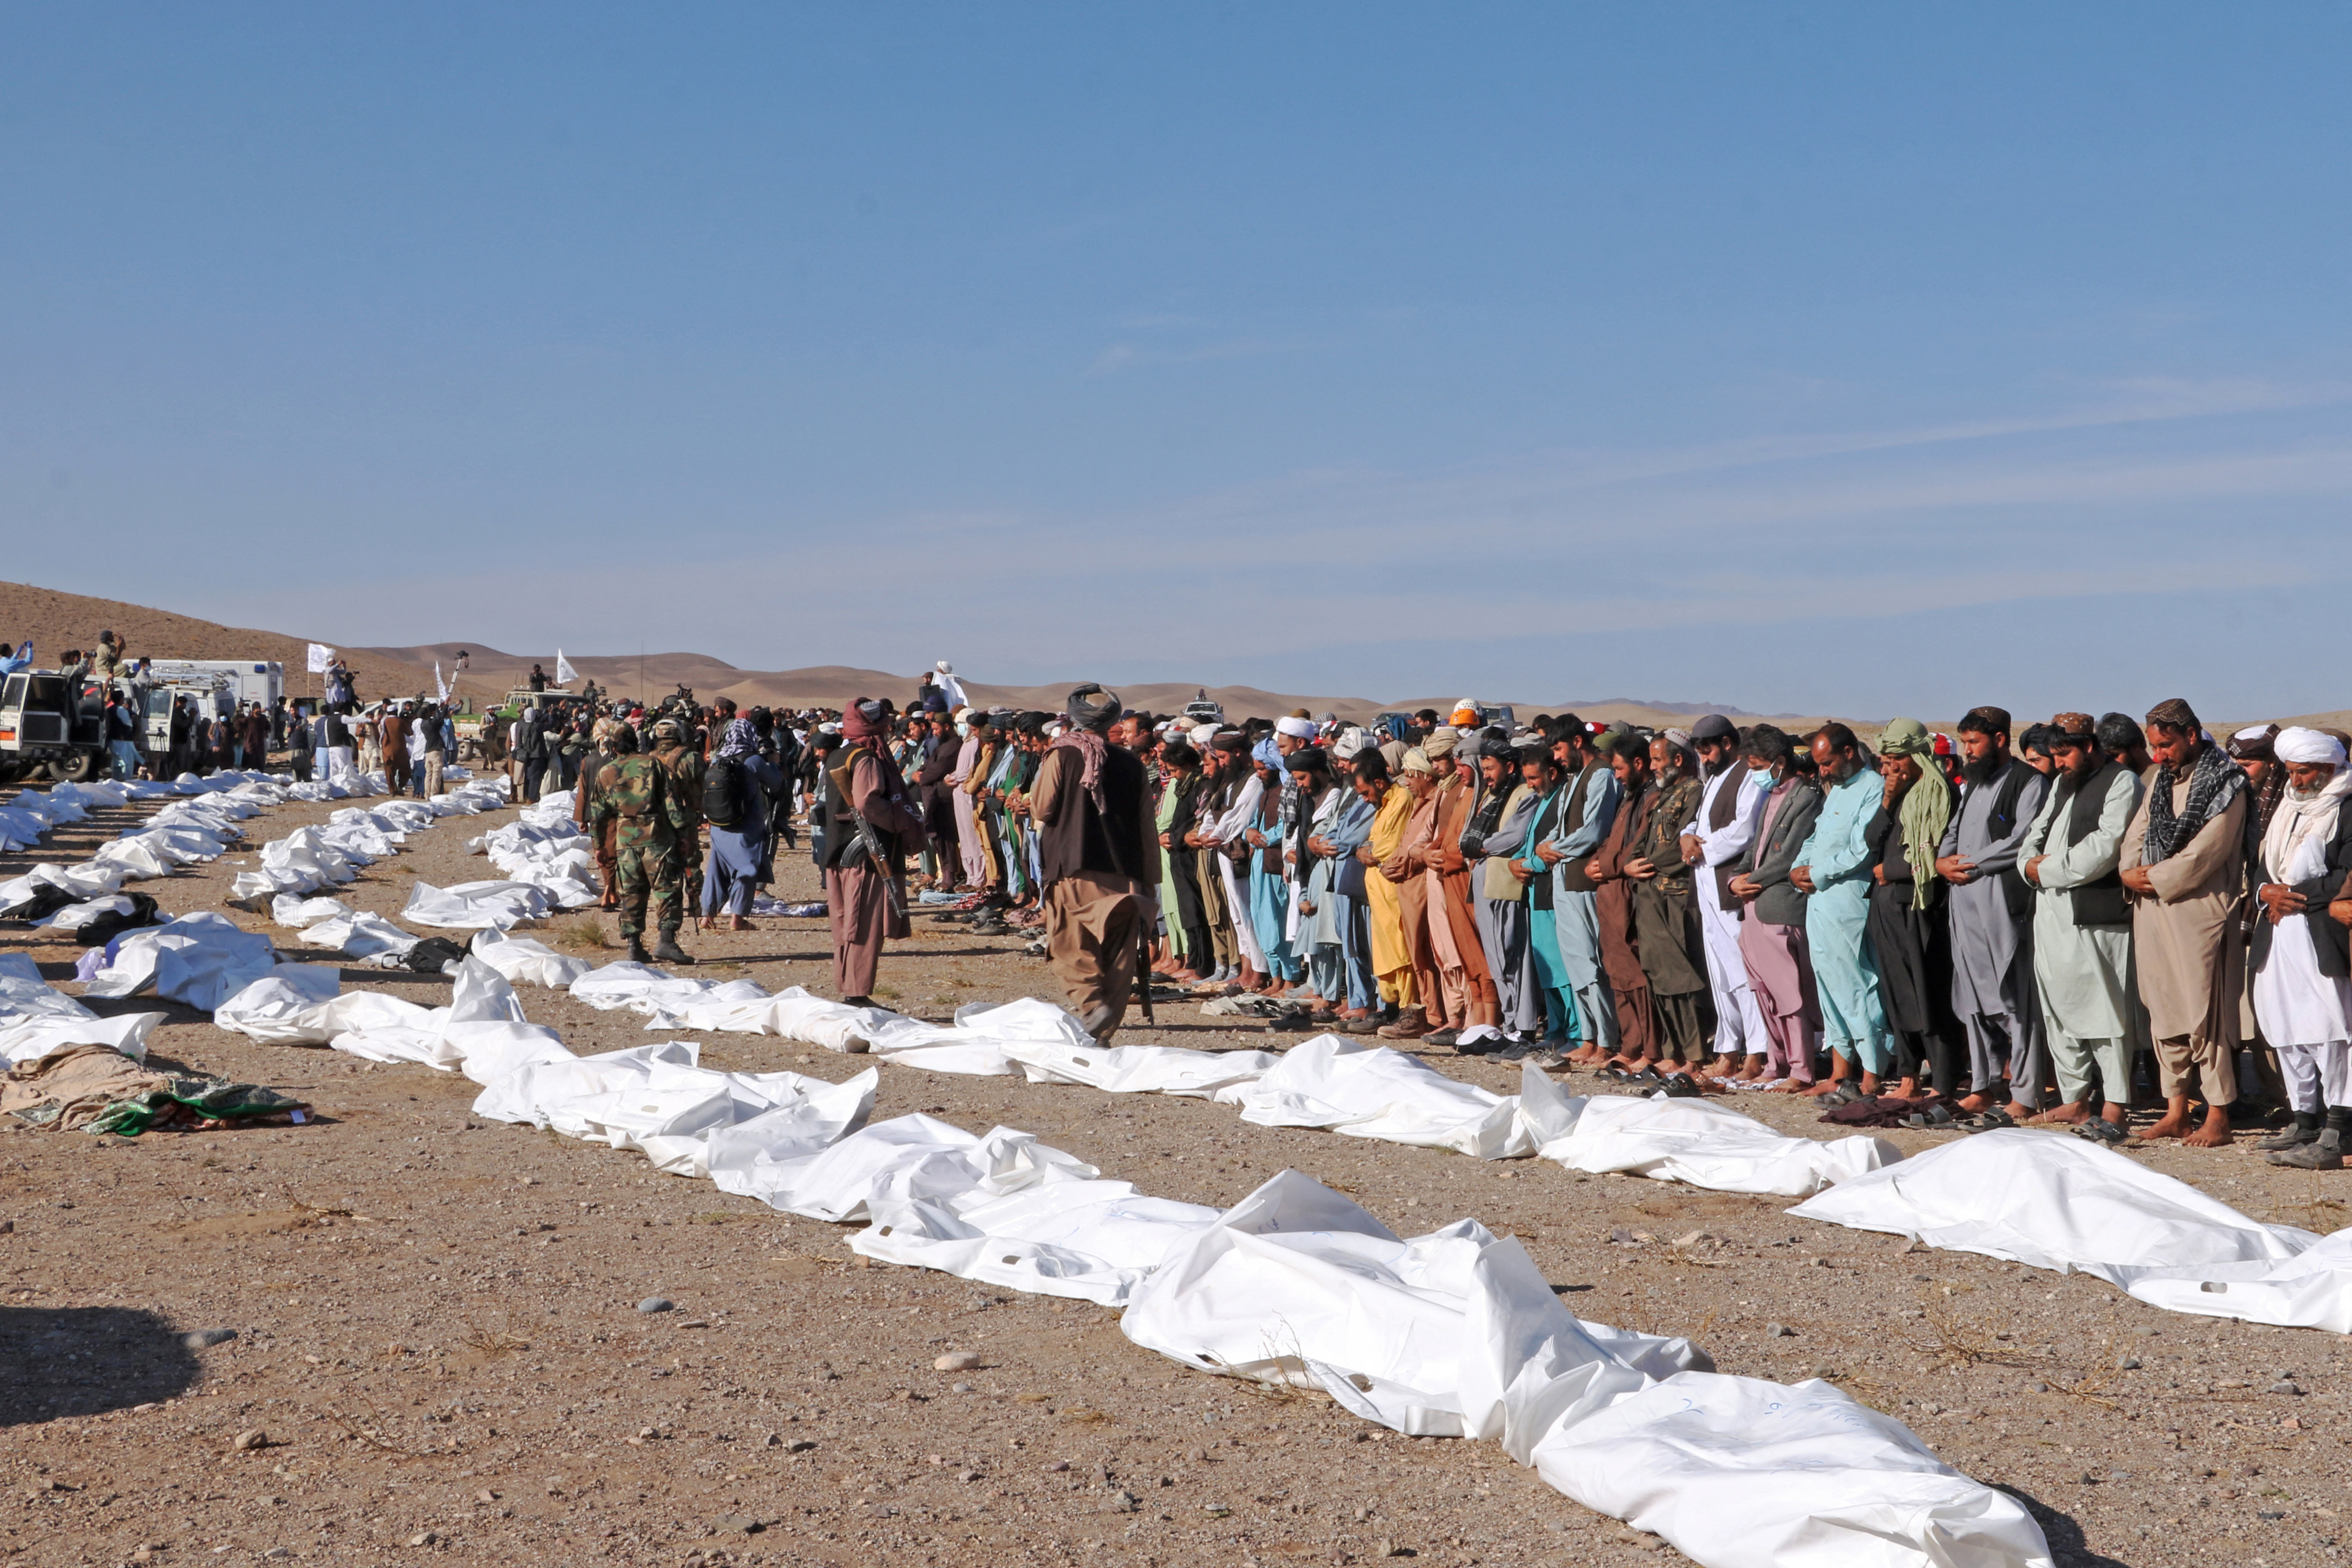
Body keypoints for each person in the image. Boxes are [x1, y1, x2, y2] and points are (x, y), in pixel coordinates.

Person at [2115, 697, 2252, 1147]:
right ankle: (2176, 1110)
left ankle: (2217, 1114)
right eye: (2154, 746)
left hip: (2199, 909)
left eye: (2167, 745)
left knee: (2205, 1015)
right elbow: (2138, 830)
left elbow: (2208, 852)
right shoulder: (2158, 778)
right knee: (2164, 1008)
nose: (2159, 755)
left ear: (2191, 735)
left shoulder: (2226, 782)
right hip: (2151, 907)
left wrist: (2153, 877)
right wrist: (2128, 872)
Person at [2014, 713, 2143, 1142]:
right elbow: (2035, 834)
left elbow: (2105, 846)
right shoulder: (2062, 783)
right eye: (2054, 755)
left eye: (2064, 753)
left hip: (2094, 916)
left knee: (2105, 1011)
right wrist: (2028, 866)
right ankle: (2074, 1098)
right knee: (2059, 1007)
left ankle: (2115, 1105)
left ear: (2089, 746)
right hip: (2050, 911)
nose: (2059, 762)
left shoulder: (2121, 781)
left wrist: (2046, 871)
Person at [1936, 707, 2049, 1125]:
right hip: (1963, 902)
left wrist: (1972, 865)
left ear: (2000, 739)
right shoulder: (1974, 781)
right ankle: (1982, 1086)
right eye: (1964, 742)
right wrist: (1941, 861)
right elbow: (1955, 827)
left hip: (2000, 901)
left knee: (2012, 999)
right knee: (1971, 997)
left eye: (1974, 742)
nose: (1967, 750)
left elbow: (2023, 839)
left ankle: (2024, 1091)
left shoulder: (2029, 781)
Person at [2248, 728, 2352, 1168]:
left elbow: (2346, 875)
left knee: (2329, 1030)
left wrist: (2292, 895)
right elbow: (2259, 871)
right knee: (2287, 1030)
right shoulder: (2286, 808)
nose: (2296, 779)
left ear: (2329, 769)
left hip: (2318, 935)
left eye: (2304, 771)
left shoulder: (2346, 808)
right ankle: (2304, 1118)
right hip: (2277, 933)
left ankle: (2340, 1128)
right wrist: (2266, 893)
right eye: (2291, 771)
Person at [1033, 685, 1158, 1040]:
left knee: (1069, 944)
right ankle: (1103, 1036)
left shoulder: (1063, 756)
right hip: (1128, 873)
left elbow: (1042, 808)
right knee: (1119, 958)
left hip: (1074, 868)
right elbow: (1147, 826)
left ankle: (1092, 1005)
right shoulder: (1133, 765)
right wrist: (1150, 880)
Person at [1864, 719, 1964, 1100]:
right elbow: (1872, 840)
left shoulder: (1940, 795)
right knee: (1897, 993)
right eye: (1886, 761)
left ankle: (1943, 1081)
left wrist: (1891, 871)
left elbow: (1939, 856)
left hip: (1921, 907)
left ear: (1916, 756)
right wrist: (1888, 799)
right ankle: (1908, 1076)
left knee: (1928, 993)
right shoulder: (1898, 795)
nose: (1890, 768)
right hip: (1887, 908)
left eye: (1896, 759)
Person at [1792, 724, 1891, 1095]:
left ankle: (1872, 1075)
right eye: (1819, 765)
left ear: (1849, 752)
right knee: (1828, 984)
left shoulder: (1872, 788)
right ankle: (1839, 1073)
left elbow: (1863, 849)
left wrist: (1816, 872)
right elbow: (1817, 837)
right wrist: (1798, 868)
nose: (1823, 771)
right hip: (1818, 899)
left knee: (1857, 984)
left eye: (1828, 762)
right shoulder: (1836, 793)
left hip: (1847, 899)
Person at [1728, 724, 1825, 1088]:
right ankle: (1776, 1061)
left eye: (1758, 765)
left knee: (1789, 994)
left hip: (1780, 909)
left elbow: (1789, 858)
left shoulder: (1806, 800)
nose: (1755, 773)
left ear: (1779, 762)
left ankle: (1802, 1069)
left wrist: (1749, 881)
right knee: (1764, 992)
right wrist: (1735, 878)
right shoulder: (1770, 798)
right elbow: (1755, 849)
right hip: (1755, 908)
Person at [820, 699, 926, 1006]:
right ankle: (857, 993)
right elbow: (868, 803)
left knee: (845, 922)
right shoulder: (865, 758)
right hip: (865, 853)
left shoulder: (840, 754)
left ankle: (850, 986)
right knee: (861, 924)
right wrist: (897, 820)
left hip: (840, 850)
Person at [1681, 714, 1769, 1071]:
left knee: (1742, 971)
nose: (1703, 758)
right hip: (1705, 886)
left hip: (1727, 885)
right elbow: (1700, 822)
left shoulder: (1747, 775)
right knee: (1719, 972)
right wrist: (1687, 835)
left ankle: (1756, 1051)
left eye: (1707, 750)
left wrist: (1704, 848)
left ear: (1727, 744)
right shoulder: (1713, 778)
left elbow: (1745, 829)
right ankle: (1729, 1048)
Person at [1541, 720, 1623, 1065]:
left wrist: (1554, 847)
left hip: (1584, 881)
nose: (1558, 758)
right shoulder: (1575, 778)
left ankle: (1606, 1039)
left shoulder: (1601, 775)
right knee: (1575, 962)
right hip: (1564, 879)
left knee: (1591, 962)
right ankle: (1588, 1038)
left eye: (1560, 750)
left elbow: (1594, 832)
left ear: (1578, 742)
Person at [587, 723, 695, 966]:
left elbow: (598, 813)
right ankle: (667, 940)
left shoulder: (606, 772)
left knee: (631, 893)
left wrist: (599, 845)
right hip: (657, 837)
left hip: (626, 840)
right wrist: (683, 834)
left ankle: (635, 945)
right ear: (636, 743)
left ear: (613, 747)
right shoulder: (652, 764)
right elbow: (670, 801)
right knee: (666, 888)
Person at [700, 717, 786, 932]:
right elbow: (776, 784)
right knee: (747, 868)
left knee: (716, 870)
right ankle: (737, 919)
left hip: (719, 825)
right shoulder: (753, 761)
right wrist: (774, 762)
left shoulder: (717, 758)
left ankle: (707, 916)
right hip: (746, 824)